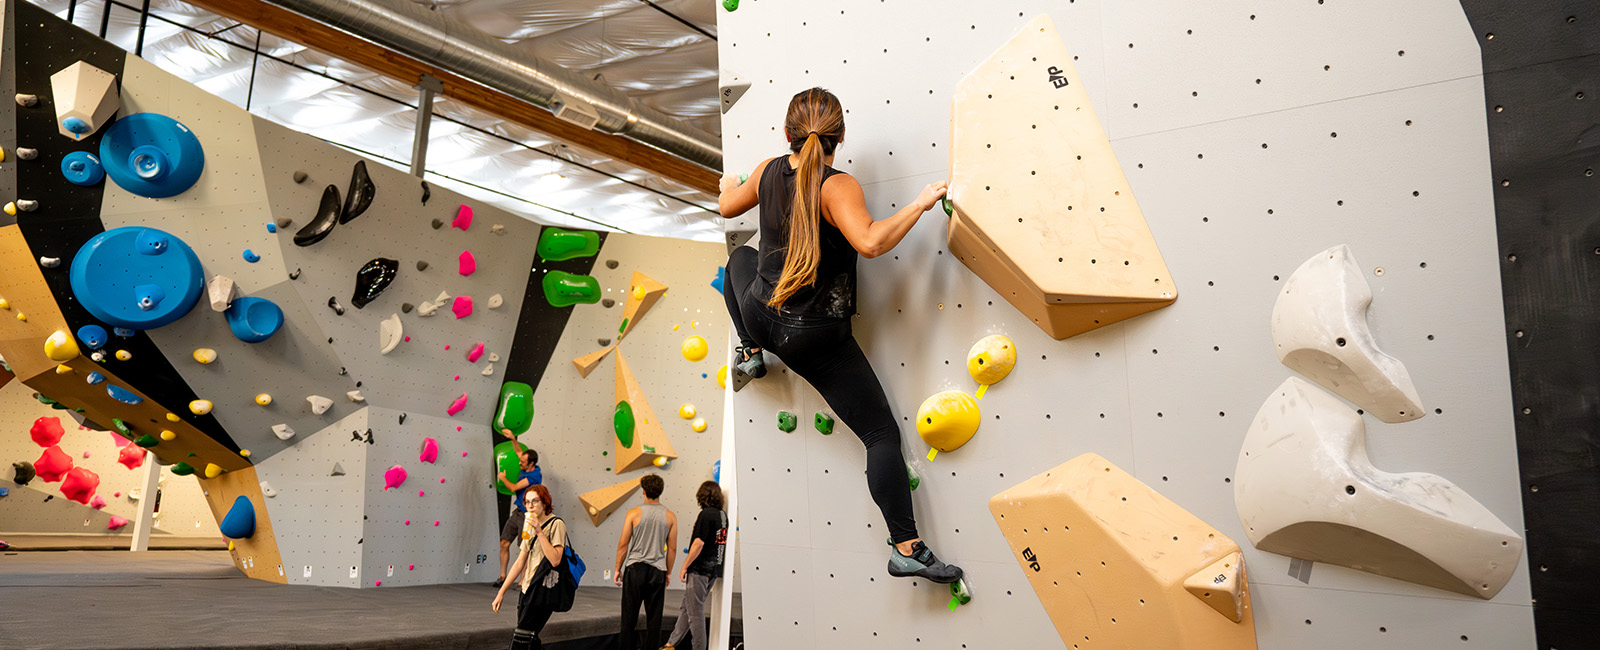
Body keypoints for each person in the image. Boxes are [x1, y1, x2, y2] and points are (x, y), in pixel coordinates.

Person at [717, 87, 962, 583]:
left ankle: (748, 350)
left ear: (785, 135)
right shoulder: (837, 186)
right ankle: (906, 547)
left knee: (739, 259)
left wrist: (731, 180)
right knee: (879, 434)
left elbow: (726, 207)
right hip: (814, 338)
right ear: (840, 137)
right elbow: (870, 242)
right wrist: (919, 203)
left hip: (763, 315)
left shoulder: (766, 170)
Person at [492, 484, 566, 650]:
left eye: (535, 501)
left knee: (521, 637)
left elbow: (555, 560)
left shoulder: (556, 524)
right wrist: (501, 592)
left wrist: (539, 531)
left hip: (543, 590)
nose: (530, 506)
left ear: (545, 502)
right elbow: (520, 562)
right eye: (527, 502)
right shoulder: (528, 525)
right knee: (530, 638)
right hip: (527, 588)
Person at [614, 474, 677, 650]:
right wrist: (669, 572)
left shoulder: (633, 513)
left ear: (643, 491)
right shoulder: (671, 517)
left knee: (628, 619)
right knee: (654, 621)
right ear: (661, 492)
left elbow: (623, 544)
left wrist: (617, 569)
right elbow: (671, 549)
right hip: (657, 571)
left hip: (635, 570)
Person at [663, 481, 728, 650]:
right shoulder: (722, 515)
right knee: (688, 607)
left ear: (702, 495)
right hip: (714, 570)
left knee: (695, 613)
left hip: (700, 570)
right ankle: (671, 644)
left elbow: (698, 543)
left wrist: (685, 565)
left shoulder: (705, 515)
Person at [495, 428, 543, 587]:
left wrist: (502, 478)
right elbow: (518, 452)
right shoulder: (526, 465)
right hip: (518, 512)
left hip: (528, 516)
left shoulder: (533, 476)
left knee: (525, 549)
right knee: (504, 543)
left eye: (522, 462)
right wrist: (513, 439)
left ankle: (523, 580)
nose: (519, 462)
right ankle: (502, 576)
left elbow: (514, 488)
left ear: (531, 464)